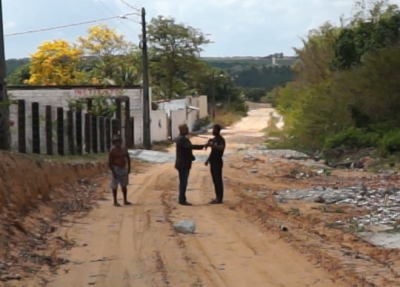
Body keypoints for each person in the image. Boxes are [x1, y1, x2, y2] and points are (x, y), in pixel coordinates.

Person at [175, 123, 205, 205]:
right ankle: (182, 199)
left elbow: (187, 150)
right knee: (183, 182)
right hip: (183, 164)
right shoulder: (182, 139)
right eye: (186, 128)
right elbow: (189, 147)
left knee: (183, 181)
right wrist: (203, 146)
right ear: (182, 130)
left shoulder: (182, 138)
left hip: (183, 163)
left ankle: (182, 198)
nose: (188, 130)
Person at [108, 134, 131, 207]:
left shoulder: (124, 148)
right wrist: (113, 172)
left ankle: (125, 200)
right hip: (116, 169)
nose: (118, 143)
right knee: (114, 186)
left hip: (123, 169)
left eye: (119, 141)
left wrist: (129, 168)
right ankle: (115, 201)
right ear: (114, 142)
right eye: (116, 142)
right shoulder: (112, 150)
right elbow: (110, 162)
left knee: (124, 185)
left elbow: (128, 158)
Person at [205, 124, 226, 204]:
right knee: (214, 180)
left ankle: (220, 198)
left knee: (218, 180)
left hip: (218, 161)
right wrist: (208, 160)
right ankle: (217, 197)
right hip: (213, 161)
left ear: (218, 130)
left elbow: (221, 148)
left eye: (214, 129)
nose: (213, 131)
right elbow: (213, 152)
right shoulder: (214, 139)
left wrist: (212, 145)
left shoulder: (221, 140)